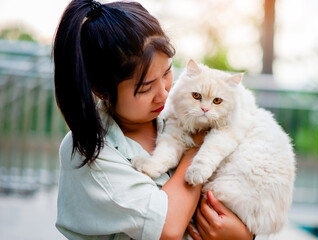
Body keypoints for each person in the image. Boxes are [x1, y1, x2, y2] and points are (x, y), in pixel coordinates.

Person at [53, 0, 254, 239]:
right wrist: (197, 149)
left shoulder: (174, 110)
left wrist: (243, 235)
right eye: (146, 88)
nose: (164, 94)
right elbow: (167, 228)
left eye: (168, 72)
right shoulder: (89, 153)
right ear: (102, 90)